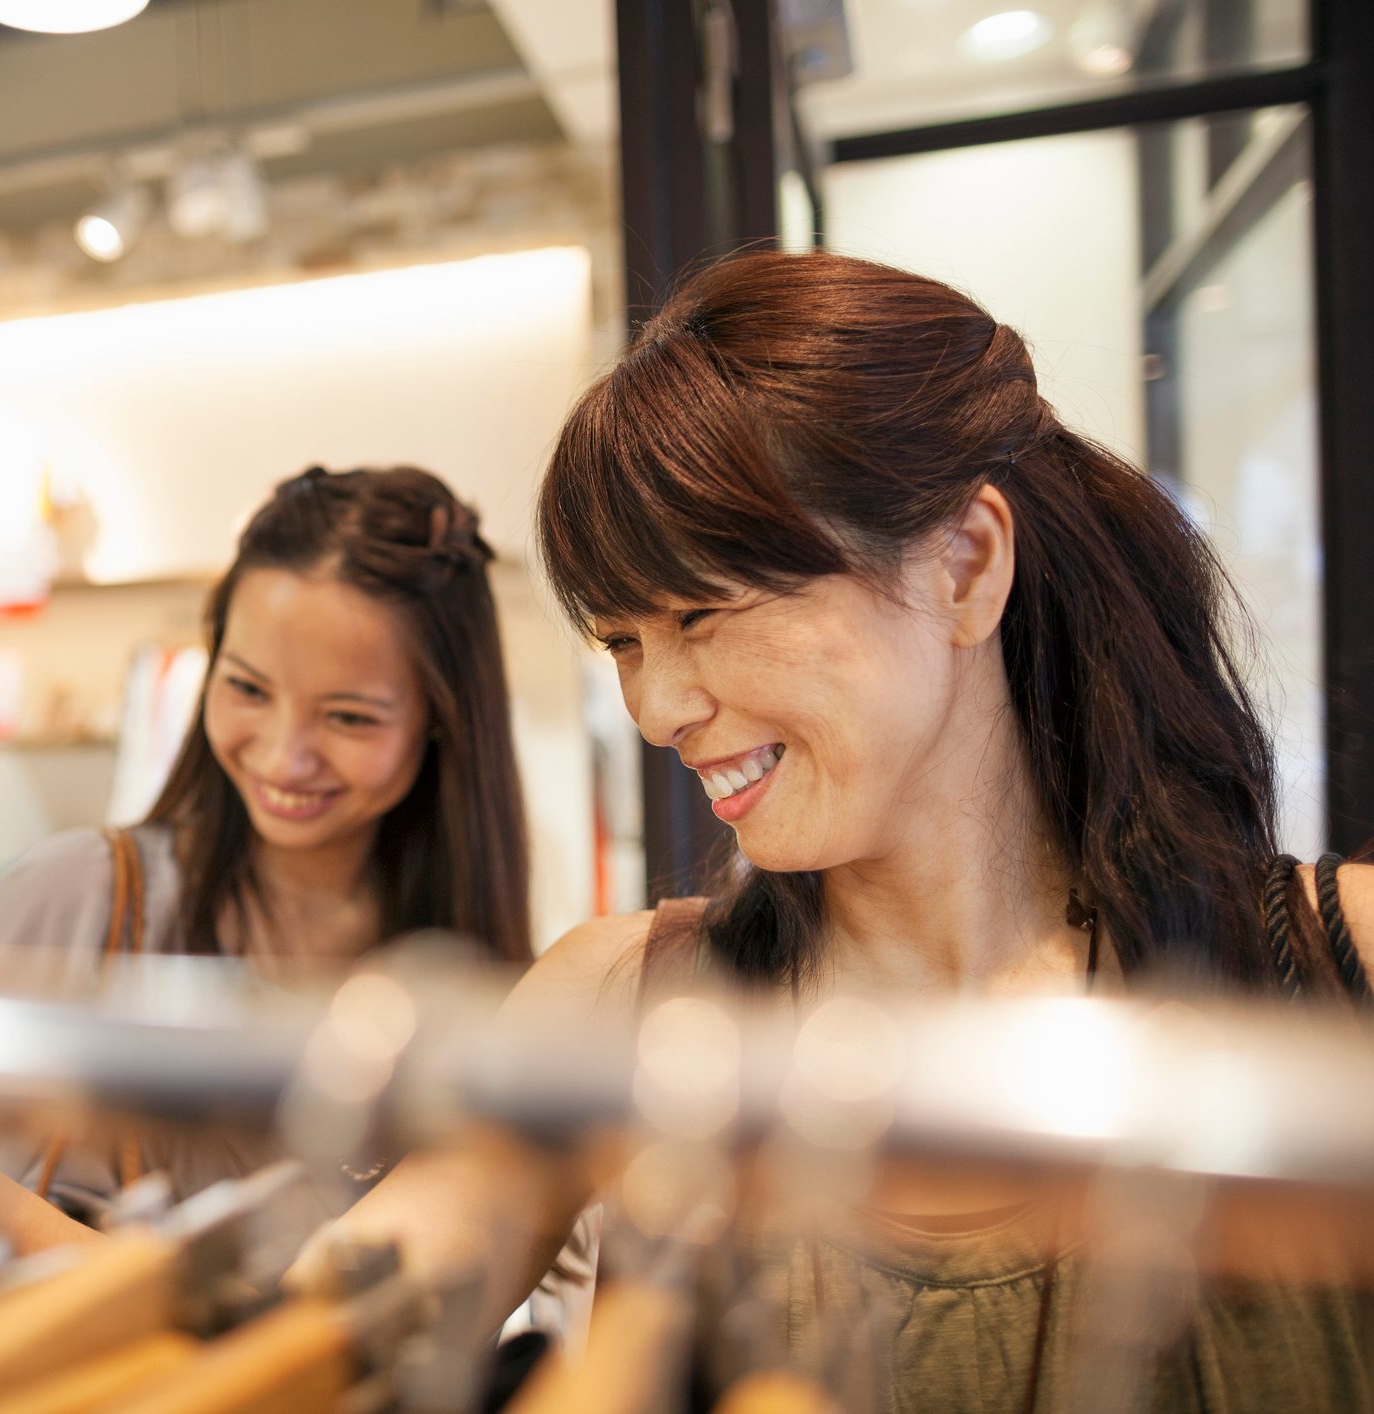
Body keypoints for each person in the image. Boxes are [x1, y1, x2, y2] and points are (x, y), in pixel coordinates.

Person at [309, 251, 1373, 1410]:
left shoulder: (1340, 967)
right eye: (623, 642)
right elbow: (325, 1319)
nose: (657, 706)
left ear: (966, 564)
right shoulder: (626, 1006)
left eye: (704, 611)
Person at [0, 464, 533, 1241]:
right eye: (248, 689)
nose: (285, 758)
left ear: (441, 722)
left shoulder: (463, 972)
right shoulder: (76, 894)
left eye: (348, 718)